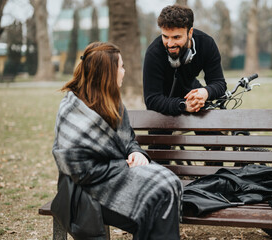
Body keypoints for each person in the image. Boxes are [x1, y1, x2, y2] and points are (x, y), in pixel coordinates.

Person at [51, 42, 182, 240]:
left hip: (113, 178)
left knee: (168, 184)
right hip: (84, 192)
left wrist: (135, 152)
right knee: (159, 193)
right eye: (121, 66)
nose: (124, 71)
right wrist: (124, 166)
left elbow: (128, 139)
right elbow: (81, 170)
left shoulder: (113, 102)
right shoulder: (72, 110)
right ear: (107, 73)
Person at [143, 4, 226, 165]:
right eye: (165, 36)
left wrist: (205, 92)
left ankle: (214, 181)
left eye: (176, 37)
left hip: (192, 92)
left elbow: (219, 83)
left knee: (216, 140)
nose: (169, 43)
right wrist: (183, 105)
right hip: (163, 104)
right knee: (158, 156)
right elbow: (152, 99)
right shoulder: (154, 53)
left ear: (190, 32)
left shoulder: (206, 44)